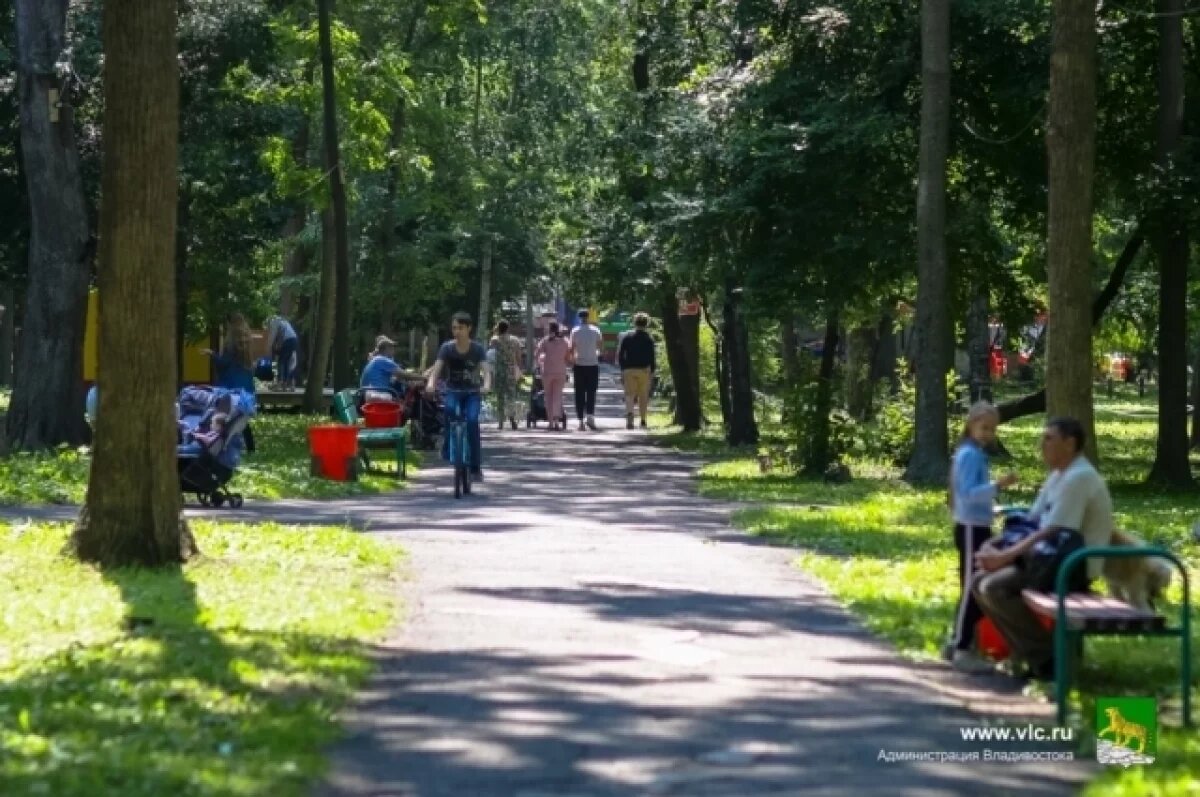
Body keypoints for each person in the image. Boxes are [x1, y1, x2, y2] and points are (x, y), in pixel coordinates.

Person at [973, 417, 1115, 680]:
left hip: (1073, 566)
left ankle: (1049, 657)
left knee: (994, 587)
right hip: (1049, 559)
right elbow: (1033, 521)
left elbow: (1054, 530)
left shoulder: (1080, 477)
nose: (1042, 444)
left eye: (1049, 438)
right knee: (979, 581)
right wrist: (992, 546)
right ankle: (1031, 655)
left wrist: (1005, 556)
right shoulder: (1058, 475)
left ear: (1070, 444)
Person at [944, 401, 1017, 673]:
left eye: (992, 429)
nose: (987, 433)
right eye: (983, 427)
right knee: (972, 587)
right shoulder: (969, 455)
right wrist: (998, 485)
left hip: (976, 523)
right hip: (971, 526)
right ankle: (961, 646)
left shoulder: (970, 453)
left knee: (973, 584)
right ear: (970, 424)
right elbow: (968, 493)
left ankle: (961, 642)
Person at [426, 312, 491, 481]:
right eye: (454, 328)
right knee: (448, 412)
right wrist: (431, 383)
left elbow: (486, 370)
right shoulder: (447, 348)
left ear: (469, 329)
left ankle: (476, 467)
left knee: (471, 421)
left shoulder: (477, 349)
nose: (457, 331)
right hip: (453, 391)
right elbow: (437, 368)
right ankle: (447, 447)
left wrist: (486, 385)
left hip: (472, 393)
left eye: (461, 328)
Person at [204, 312, 256, 452]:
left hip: (231, 384)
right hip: (246, 384)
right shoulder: (246, 340)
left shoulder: (231, 342)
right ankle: (250, 447)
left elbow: (224, 363)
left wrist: (212, 354)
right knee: (241, 416)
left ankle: (221, 444)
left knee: (227, 416)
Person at [617, 312, 656, 430]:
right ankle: (643, 420)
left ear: (634, 323)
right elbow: (652, 356)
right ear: (646, 324)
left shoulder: (627, 337)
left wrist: (623, 368)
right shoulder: (649, 338)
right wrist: (652, 370)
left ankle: (630, 414)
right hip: (644, 370)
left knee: (629, 394)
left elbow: (620, 354)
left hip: (629, 369)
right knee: (643, 396)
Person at [569, 309, 603, 431]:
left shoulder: (575, 331)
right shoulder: (596, 330)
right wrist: (596, 354)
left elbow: (571, 348)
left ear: (579, 318)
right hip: (593, 364)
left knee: (579, 393)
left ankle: (580, 420)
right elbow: (600, 347)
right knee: (591, 392)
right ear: (588, 317)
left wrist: (573, 360)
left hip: (579, 364)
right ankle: (590, 417)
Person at [488, 320, 524, 431]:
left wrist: (496, 330)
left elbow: (491, 344)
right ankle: (512, 418)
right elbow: (518, 356)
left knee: (500, 396)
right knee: (511, 396)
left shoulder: (495, 340)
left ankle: (500, 422)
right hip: (510, 370)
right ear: (508, 328)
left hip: (499, 370)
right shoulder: (515, 340)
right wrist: (519, 368)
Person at [536, 320, 571, 431]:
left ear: (549, 329)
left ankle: (550, 422)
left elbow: (537, 354)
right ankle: (556, 420)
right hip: (560, 371)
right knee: (557, 396)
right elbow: (569, 356)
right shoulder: (565, 341)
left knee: (548, 396)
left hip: (547, 372)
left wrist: (540, 363)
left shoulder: (545, 341)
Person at [265, 315, 299, 391]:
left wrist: (268, 348)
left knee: (281, 362)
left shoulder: (274, 322)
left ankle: (279, 382)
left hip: (288, 340)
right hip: (294, 340)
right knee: (286, 362)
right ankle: (285, 383)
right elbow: (280, 339)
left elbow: (272, 337)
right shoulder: (284, 321)